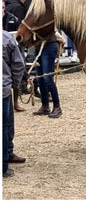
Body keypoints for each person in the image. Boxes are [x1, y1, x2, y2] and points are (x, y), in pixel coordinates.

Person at [2, 30, 26, 177]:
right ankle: (3, 165)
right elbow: (18, 64)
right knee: (4, 127)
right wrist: (15, 84)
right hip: (3, 88)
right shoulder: (6, 37)